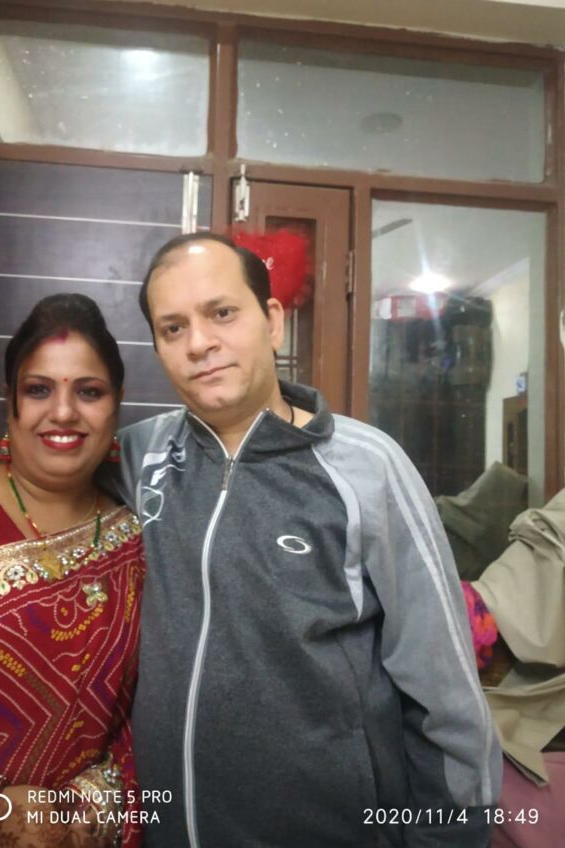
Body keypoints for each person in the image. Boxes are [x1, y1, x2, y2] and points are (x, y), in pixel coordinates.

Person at [103, 232, 502, 847]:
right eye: (173, 328)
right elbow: (28, 475)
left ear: (272, 321)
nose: (199, 343)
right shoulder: (139, 457)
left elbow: (444, 694)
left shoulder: (368, 469)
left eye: (221, 313)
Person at [0, 294, 144, 848]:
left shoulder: (138, 541)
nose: (63, 413)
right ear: (10, 402)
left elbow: (145, 726)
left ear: (117, 404)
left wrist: (75, 817)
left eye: (89, 392)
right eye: (39, 389)